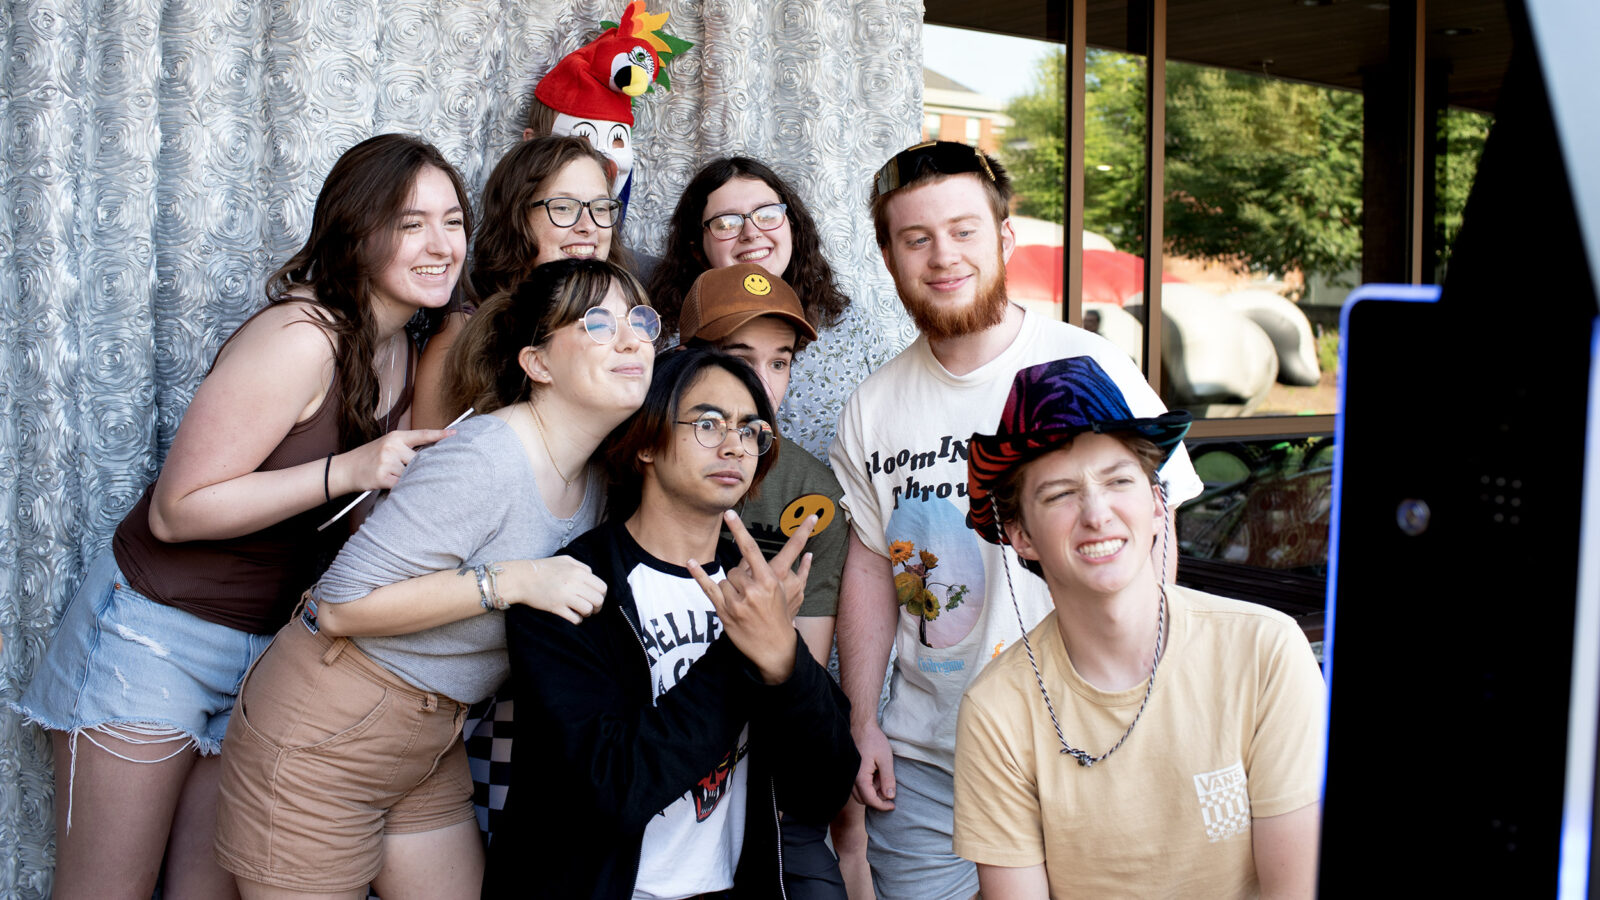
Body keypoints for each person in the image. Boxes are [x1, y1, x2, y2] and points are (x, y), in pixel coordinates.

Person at [12, 133, 469, 900]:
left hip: (267, 657)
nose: (439, 244)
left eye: (453, 220)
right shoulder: (302, 337)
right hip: (156, 637)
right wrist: (346, 470)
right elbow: (177, 512)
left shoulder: (404, 347)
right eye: (409, 221)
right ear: (356, 232)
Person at [828, 140, 1206, 899]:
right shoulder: (873, 406)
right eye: (917, 238)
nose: (944, 256)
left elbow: (1152, 534)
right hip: (932, 767)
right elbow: (871, 565)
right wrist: (861, 718)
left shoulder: (1089, 367)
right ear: (888, 256)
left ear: (1003, 239)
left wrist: (1147, 695)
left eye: (965, 230)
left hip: (1089, 746)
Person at [213, 259, 657, 899]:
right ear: (537, 364)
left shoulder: (592, 479)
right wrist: (510, 581)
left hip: (432, 732)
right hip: (326, 726)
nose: (631, 339)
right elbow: (340, 606)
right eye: (597, 322)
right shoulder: (486, 456)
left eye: (640, 320)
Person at [484, 346, 859, 899]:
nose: (735, 444)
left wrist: (784, 658)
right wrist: (744, 648)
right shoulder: (569, 586)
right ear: (648, 441)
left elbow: (823, 790)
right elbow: (612, 786)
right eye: (708, 424)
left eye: (751, 430)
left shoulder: (753, 593)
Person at [954, 356, 1324, 897]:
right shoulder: (997, 712)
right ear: (1020, 535)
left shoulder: (1265, 652)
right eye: (1058, 494)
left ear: (1157, 504)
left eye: (1119, 481)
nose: (1097, 513)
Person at [675, 264, 853, 898]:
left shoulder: (812, 490)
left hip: (769, 778)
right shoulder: (635, 459)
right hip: (653, 759)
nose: (762, 381)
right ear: (685, 361)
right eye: (739, 356)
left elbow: (803, 674)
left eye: (780, 362)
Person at [412, 135, 623, 429]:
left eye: (600, 208)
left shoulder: (625, 327)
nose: (587, 226)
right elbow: (428, 463)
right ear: (517, 217)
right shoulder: (460, 335)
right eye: (563, 207)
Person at [647, 156, 851, 339]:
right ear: (697, 251)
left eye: (767, 214)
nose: (751, 233)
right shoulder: (663, 338)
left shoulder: (849, 326)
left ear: (793, 229)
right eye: (726, 223)